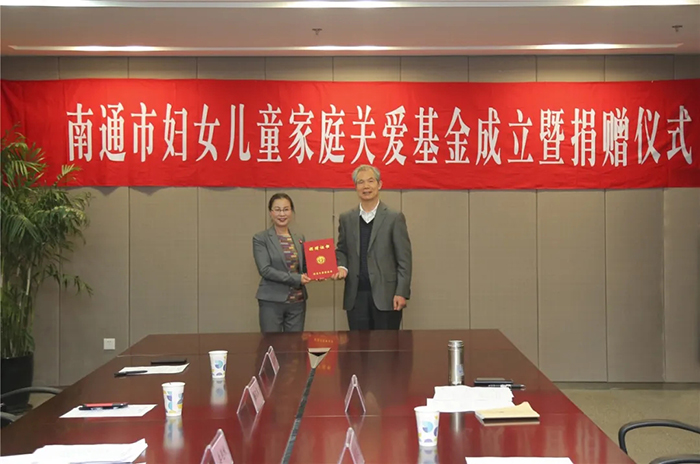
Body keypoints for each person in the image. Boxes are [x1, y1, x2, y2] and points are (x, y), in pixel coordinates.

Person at [333, 165, 412, 330]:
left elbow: (404, 259)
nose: (366, 186)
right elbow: (342, 250)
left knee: (387, 345)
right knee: (357, 345)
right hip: (356, 296)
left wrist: (401, 292)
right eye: (360, 182)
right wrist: (341, 266)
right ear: (355, 187)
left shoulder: (394, 217)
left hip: (387, 296)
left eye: (370, 181)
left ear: (379, 184)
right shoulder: (346, 218)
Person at [253, 193, 310, 332]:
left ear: (291, 211)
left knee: (295, 344)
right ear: (271, 212)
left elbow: (305, 267)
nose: (282, 214)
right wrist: (297, 278)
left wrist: (319, 273)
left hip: (297, 301)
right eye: (277, 210)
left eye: (286, 209)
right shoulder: (261, 238)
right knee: (272, 343)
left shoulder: (299, 238)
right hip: (272, 301)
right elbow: (265, 270)